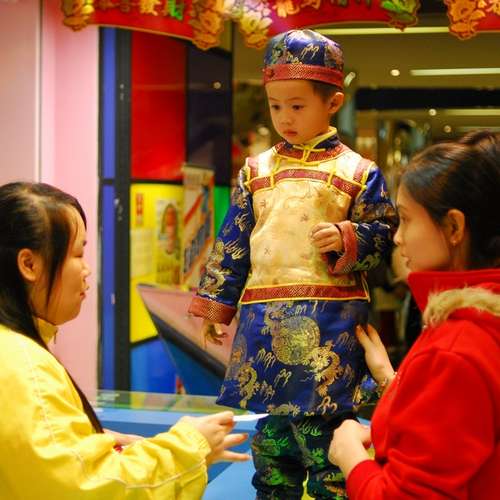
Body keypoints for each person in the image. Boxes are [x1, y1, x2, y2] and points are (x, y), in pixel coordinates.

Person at [188, 29, 397, 499]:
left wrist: (348, 237)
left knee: (327, 440)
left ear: (333, 102)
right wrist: (215, 307)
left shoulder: (358, 172)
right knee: (273, 440)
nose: (285, 117)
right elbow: (233, 241)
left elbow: (384, 234)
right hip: (264, 321)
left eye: (297, 106)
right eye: (275, 105)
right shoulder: (255, 170)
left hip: (331, 323)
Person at [0, 181, 249, 499]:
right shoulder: (26, 368)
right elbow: (87, 487)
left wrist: (90, 438)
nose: (86, 270)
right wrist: (190, 445)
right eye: (78, 254)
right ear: (29, 264)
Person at [329, 130, 500, 499]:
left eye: (406, 219)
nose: (398, 237)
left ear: (453, 227)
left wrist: (350, 457)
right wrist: (395, 382)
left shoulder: (455, 349)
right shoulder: (478, 325)